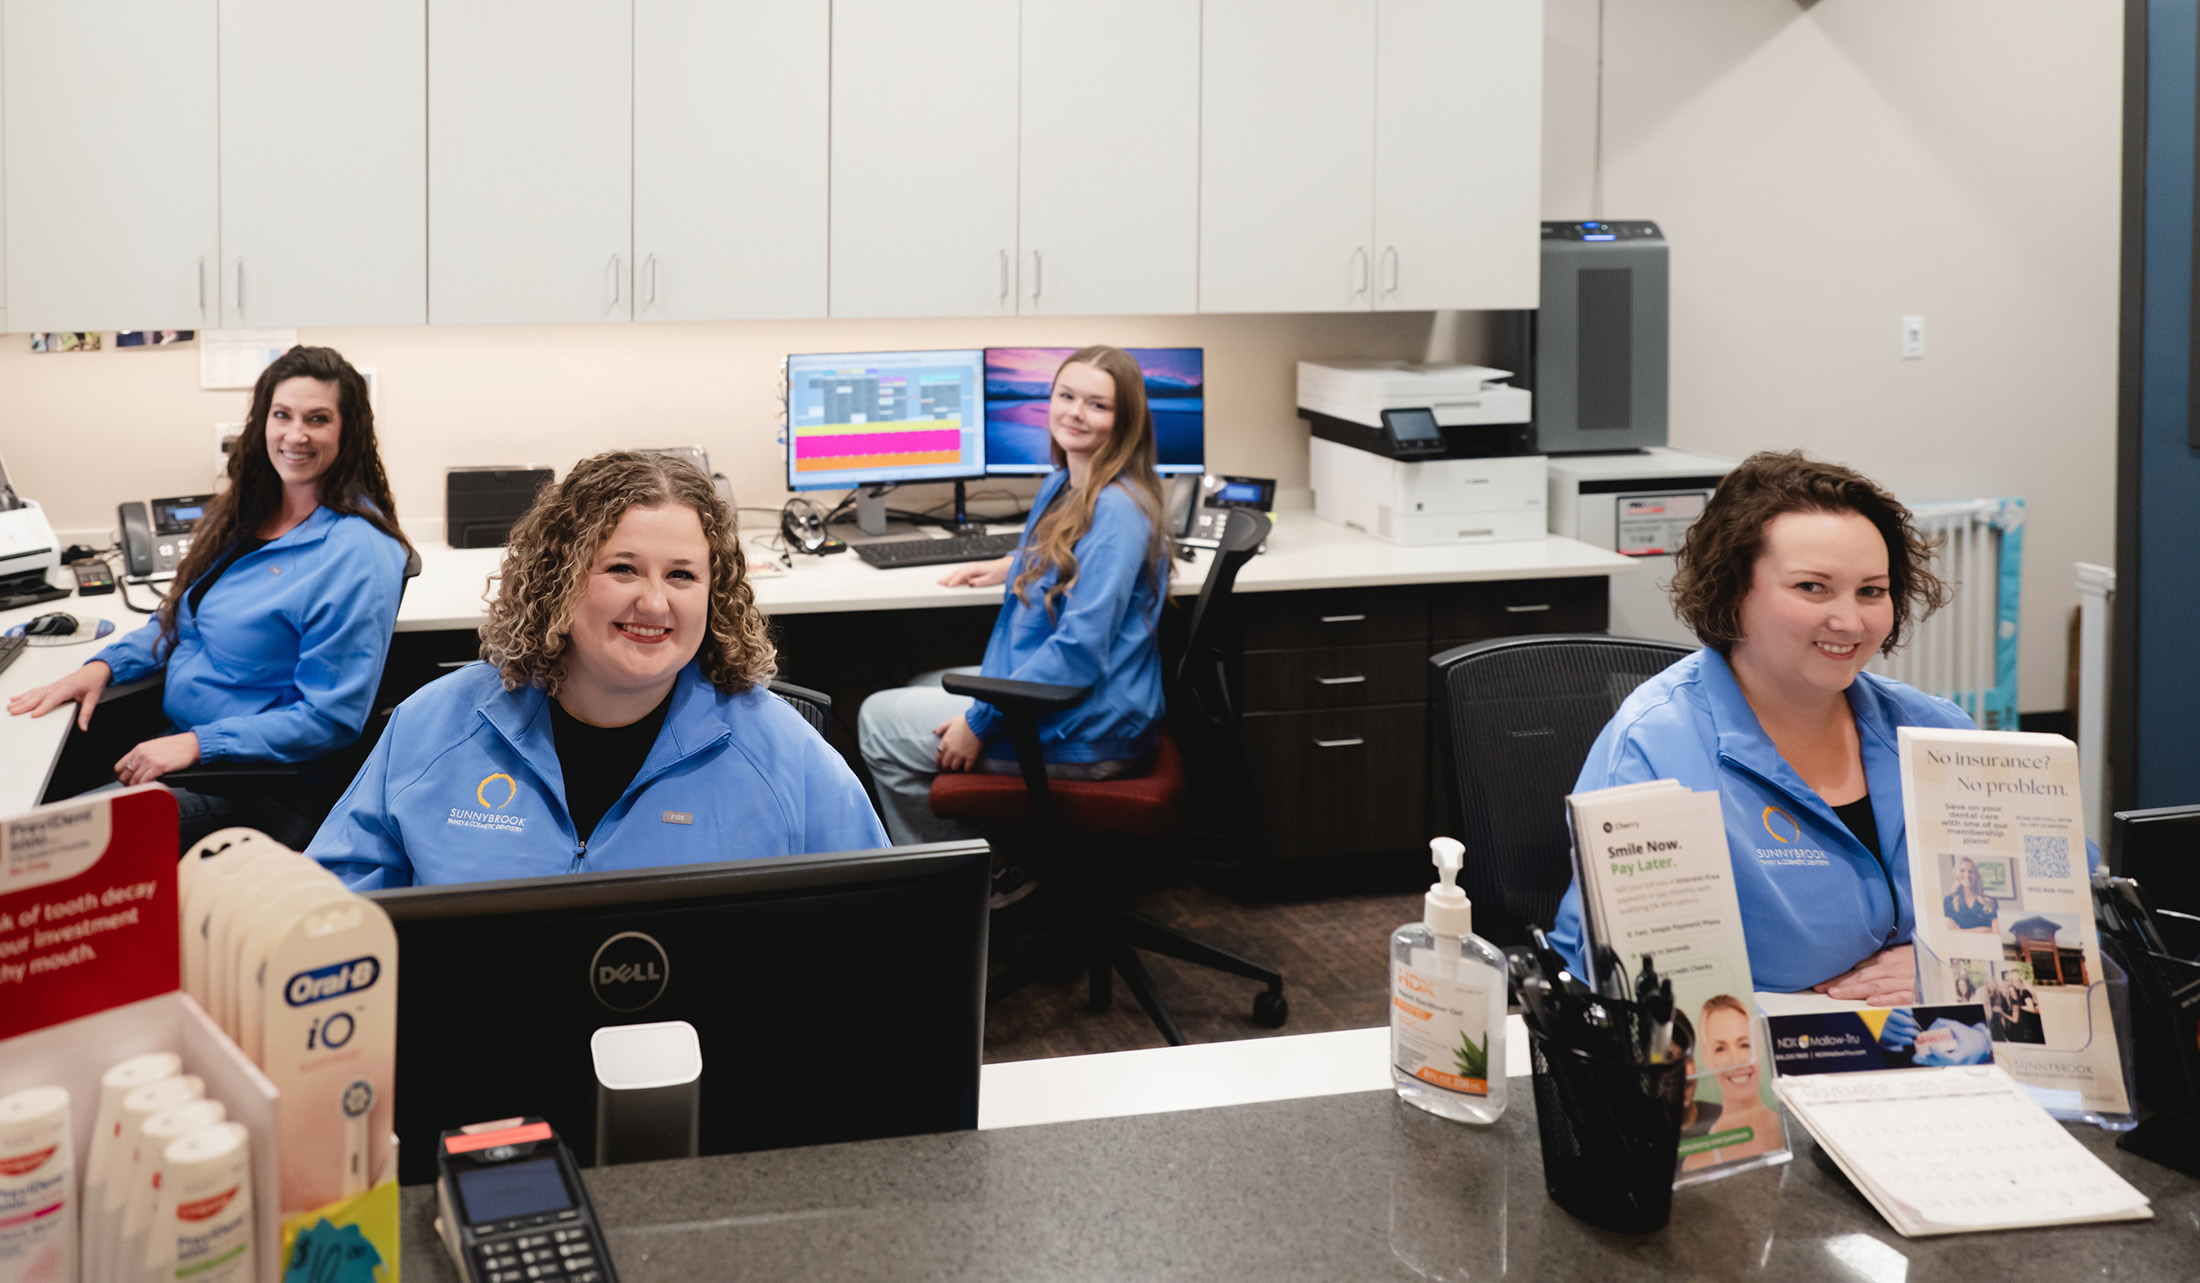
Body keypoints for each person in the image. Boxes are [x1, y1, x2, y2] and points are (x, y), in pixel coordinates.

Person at [308, 451, 887, 888]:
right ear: (560, 580)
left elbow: (888, 928)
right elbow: (321, 916)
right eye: (623, 569)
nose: (655, 604)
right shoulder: (432, 727)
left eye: (682, 575)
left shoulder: (785, 754)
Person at [1550, 450, 1969, 1003]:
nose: (1850, 621)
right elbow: (1618, 971)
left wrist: (1948, 964)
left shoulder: (1936, 730)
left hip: (1936, 1046)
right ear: (1732, 591)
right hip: (1746, 1056)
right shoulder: (1656, 748)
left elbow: (2059, 911)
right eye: (1812, 587)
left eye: (1871, 590)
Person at [7, 345, 411, 849]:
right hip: (182, 745)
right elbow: (182, 620)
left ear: (348, 431)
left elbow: (331, 718)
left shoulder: (356, 552)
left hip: (246, 785)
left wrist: (199, 744)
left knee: (34, 850)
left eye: (318, 419)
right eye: (281, 415)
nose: (295, 434)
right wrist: (104, 666)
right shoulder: (250, 512)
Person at [857, 346, 1172, 851]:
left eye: (1097, 405)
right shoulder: (1066, 484)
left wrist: (980, 721)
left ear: (1125, 420)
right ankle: (987, 854)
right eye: (1066, 396)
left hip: (1088, 724)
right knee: (922, 681)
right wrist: (1012, 563)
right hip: (1075, 702)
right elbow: (1069, 554)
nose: (1074, 412)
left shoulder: (1116, 510)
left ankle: (959, 884)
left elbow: (1080, 649)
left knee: (877, 720)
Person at [1679, 995, 1785, 1173]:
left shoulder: (1786, 1133)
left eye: (1744, 1045)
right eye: (1720, 1049)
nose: (1736, 1061)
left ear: (1758, 1049)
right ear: (1707, 1058)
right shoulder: (1696, 1163)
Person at [1942, 856, 2000, 933]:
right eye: (1962, 871)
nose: (1967, 875)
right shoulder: (1948, 901)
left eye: (1971, 871)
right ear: (1957, 875)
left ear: (1976, 876)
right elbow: (1950, 933)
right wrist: (1983, 930)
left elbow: (1996, 933)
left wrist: (1960, 931)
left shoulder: (1991, 901)